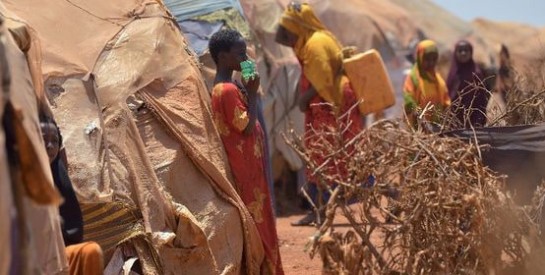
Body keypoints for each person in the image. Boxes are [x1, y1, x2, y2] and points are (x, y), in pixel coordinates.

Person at [275, 2, 363, 226]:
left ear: (299, 26)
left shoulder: (315, 44)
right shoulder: (315, 39)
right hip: (329, 105)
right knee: (329, 157)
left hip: (330, 105)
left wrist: (304, 100)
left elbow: (322, 78)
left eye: (288, 28)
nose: (283, 33)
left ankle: (321, 210)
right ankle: (320, 210)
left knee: (324, 157)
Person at [208, 29, 284, 274]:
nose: (245, 57)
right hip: (246, 170)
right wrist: (252, 92)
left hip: (247, 166)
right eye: (239, 52)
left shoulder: (227, 86)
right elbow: (246, 125)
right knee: (259, 222)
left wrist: (247, 87)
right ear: (222, 56)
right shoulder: (227, 90)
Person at [40, 115, 104, 275]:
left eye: (54, 141)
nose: (49, 146)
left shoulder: (58, 176)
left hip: (57, 257)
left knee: (91, 252)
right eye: (42, 139)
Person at [403, 39, 450, 129]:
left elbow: (445, 99)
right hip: (418, 126)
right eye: (427, 59)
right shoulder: (413, 78)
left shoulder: (437, 79)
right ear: (420, 57)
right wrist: (419, 114)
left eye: (433, 59)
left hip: (436, 126)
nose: (431, 63)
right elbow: (408, 99)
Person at [447, 40, 489, 128]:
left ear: (471, 52)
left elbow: (482, 100)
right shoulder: (452, 73)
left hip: (472, 121)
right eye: (460, 50)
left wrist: (478, 121)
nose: (463, 53)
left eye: (466, 50)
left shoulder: (476, 73)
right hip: (452, 121)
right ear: (455, 53)